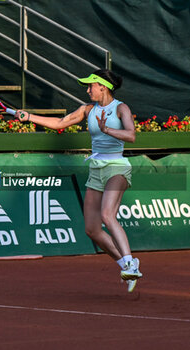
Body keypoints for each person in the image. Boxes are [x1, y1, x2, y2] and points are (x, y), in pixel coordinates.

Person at [15, 69, 142, 293]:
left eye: (90, 85)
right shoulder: (88, 109)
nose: (87, 89)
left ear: (102, 86)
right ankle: (124, 264)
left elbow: (131, 135)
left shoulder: (121, 108)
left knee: (107, 215)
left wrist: (107, 129)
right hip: (96, 169)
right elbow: (60, 123)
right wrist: (29, 116)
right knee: (92, 229)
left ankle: (131, 262)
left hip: (117, 167)